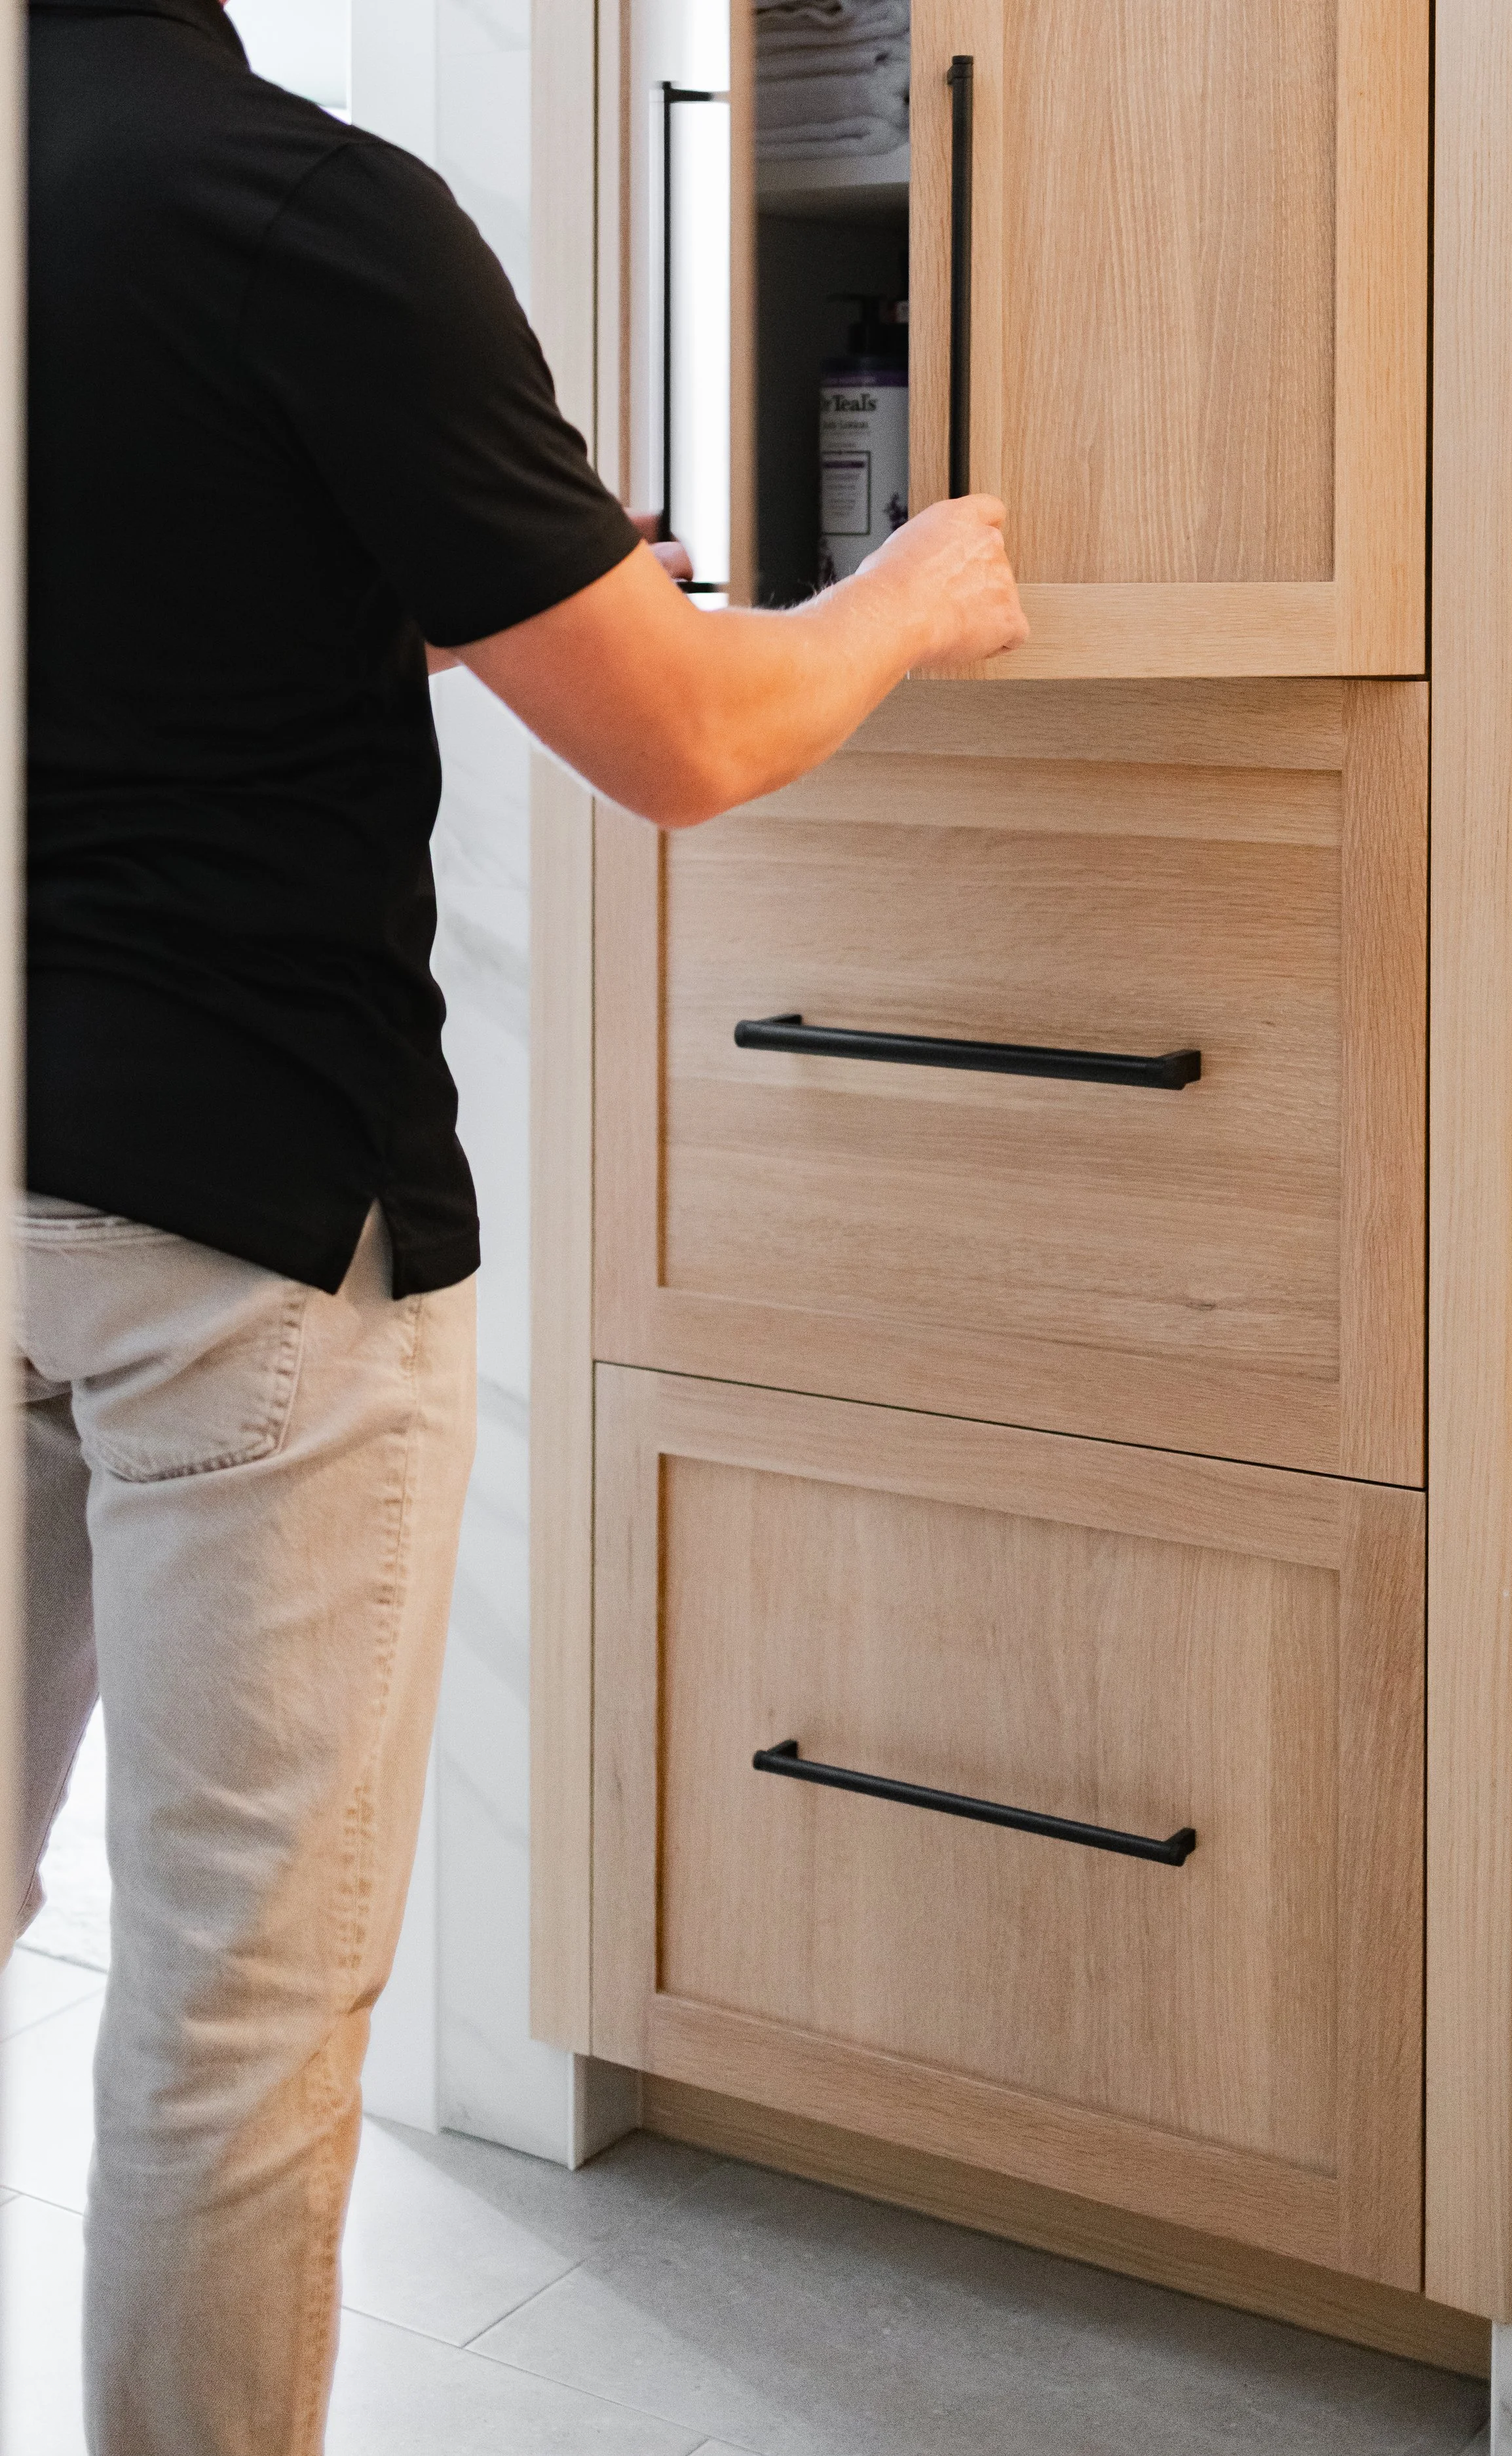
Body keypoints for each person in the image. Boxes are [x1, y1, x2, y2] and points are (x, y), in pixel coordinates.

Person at [17, 0, 1027, 2448]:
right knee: (235, 2014)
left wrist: (458, 579)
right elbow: (681, 736)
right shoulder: (300, 208)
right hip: (235, 1225)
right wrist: (904, 593)